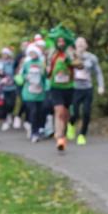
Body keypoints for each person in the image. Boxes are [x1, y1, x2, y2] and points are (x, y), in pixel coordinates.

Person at [45, 24, 76, 152]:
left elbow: (79, 65)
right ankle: (60, 138)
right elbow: (46, 70)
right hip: (55, 86)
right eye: (59, 41)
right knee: (59, 111)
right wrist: (48, 70)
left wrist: (71, 60)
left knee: (66, 113)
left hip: (69, 86)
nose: (61, 43)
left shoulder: (70, 52)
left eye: (63, 40)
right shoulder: (51, 53)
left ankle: (65, 129)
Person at [70, 36, 105, 145]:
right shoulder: (70, 56)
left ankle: (82, 135)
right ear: (75, 45)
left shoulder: (92, 58)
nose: (80, 44)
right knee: (75, 113)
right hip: (74, 88)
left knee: (86, 112)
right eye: (78, 42)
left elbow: (98, 72)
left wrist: (101, 86)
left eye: (82, 42)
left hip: (87, 88)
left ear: (86, 45)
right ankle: (71, 124)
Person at [18, 44, 48, 142]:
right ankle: (33, 133)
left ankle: (38, 130)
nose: (32, 54)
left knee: (39, 113)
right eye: (31, 52)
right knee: (33, 112)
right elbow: (21, 76)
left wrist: (46, 86)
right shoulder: (26, 64)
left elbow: (45, 77)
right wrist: (25, 77)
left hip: (40, 93)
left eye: (34, 52)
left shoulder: (42, 63)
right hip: (29, 93)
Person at [0, 47, 18, 131]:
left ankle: (10, 115)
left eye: (5, 54)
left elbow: (16, 72)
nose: (4, 56)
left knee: (12, 103)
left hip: (12, 86)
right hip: (3, 87)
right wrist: (1, 75)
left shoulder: (13, 63)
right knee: (5, 104)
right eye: (3, 54)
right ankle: (6, 119)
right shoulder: (0, 63)